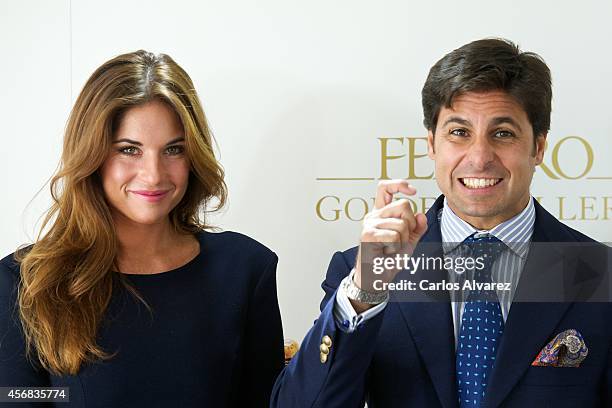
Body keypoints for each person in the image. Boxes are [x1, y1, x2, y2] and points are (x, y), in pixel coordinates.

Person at [271, 38, 612, 407]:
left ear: (539, 147)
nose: (479, 158)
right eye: (459, 132)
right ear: (432, 144)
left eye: (502, 133)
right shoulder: (363, 271)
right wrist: (364, 292)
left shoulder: (598, 273)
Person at [0, 50, 284, 407]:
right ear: (93, 154)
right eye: (129, 149)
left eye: (174, 150)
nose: (153, 174)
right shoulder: (25, 281)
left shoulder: (245, 269)